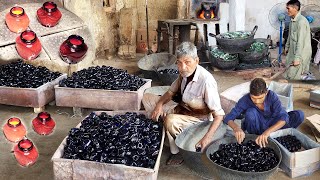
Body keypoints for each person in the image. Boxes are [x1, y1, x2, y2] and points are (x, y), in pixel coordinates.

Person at [142, 42, 225, 165]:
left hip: (198, 121)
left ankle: (178, 152)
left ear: (196, 61)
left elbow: (219, 116)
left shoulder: (206, 82)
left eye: (187, 62)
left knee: (170, 120)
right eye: (179, 63)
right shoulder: (183, 75)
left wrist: (207, 138)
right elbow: (169, 93)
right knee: (147, 98)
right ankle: (165, 125)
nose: (183, 67)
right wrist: (159, 106)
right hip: (180, 110)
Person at [224, 78, 304, 147]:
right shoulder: (245, 99)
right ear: (250, 94)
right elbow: (229, 117)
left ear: (266, 92)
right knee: (250, 112)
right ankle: (256, 138)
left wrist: (267, 132)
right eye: (253, 98)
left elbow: (283, 117)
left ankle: (272, 135)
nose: (257, 101)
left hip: (273, 123)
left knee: (299, 115)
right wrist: (236, 128)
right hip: (257, 126)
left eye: (260, 98)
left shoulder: (272, 96)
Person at [284, 0, 314, 80]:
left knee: (294, 76)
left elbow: (300, 42)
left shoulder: (301, 22)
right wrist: (286, 47)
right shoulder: (292, 21)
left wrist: (297, 58)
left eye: (288, 8)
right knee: (288, 72)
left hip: (301, 53)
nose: (287, 11)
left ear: (295, 8)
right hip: (293, 51)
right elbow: (290, 36)